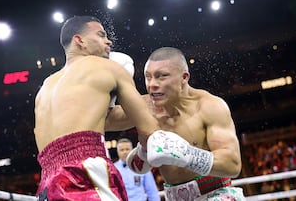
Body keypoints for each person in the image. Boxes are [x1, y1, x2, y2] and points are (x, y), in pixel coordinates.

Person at [33, 15, 164, 201]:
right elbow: (149, 129)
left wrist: (155, 101)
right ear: (79, 40)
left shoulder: (45, 87)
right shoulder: (108, 67)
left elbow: (104, 120)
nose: (108, 40)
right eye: (101, 35)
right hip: (85, 174)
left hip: (47, 184)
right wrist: (143, 152)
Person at [105, 47, 246, 200]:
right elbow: (104, 121)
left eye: (161, 76)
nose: (152, 84)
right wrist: (108, 86)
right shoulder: (145, 108)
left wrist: (185, 154)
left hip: (216, 195)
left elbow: (232, 165)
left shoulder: (209, 106)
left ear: (184, 77)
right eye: (148, 77)